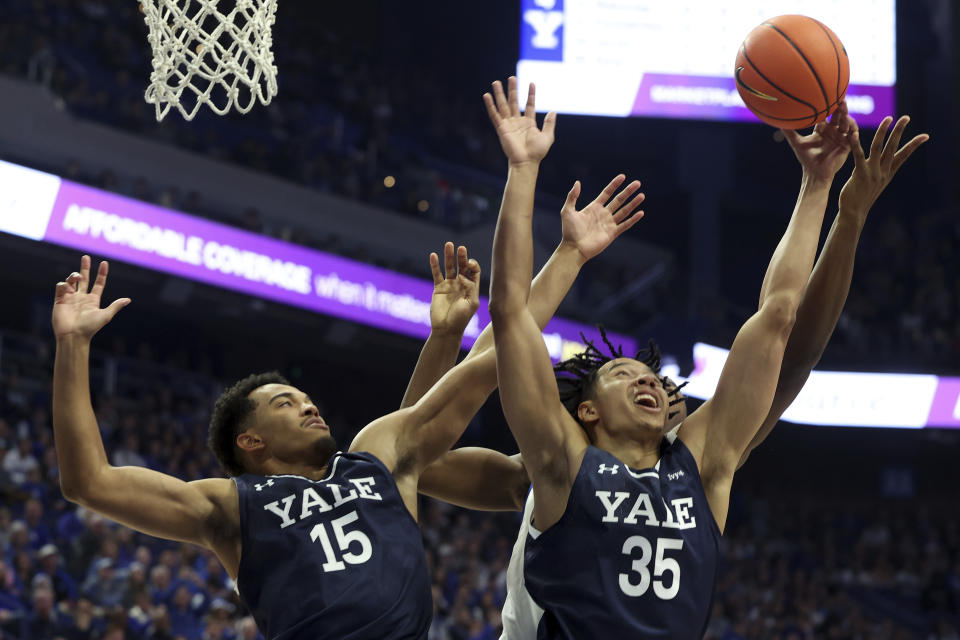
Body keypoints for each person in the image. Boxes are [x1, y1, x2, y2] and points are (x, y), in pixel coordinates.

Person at [52, 173, 646, 639]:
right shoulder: (230, 506)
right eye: (286, 404)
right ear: (250, 442)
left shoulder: (374, 457)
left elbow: (496, 352)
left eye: (307, 399)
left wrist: (567, 254)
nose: (311, 408)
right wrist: (74, 346)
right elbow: (90, 482)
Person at [480, 76, 928, 638]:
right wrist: (522, 173)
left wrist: (818, 187)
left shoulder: (702, 465)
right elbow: (510, 315)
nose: (648, 383)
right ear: (587, 412)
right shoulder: (560, 462)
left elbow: (779, 318)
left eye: (653, 377)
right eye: (623, 375)